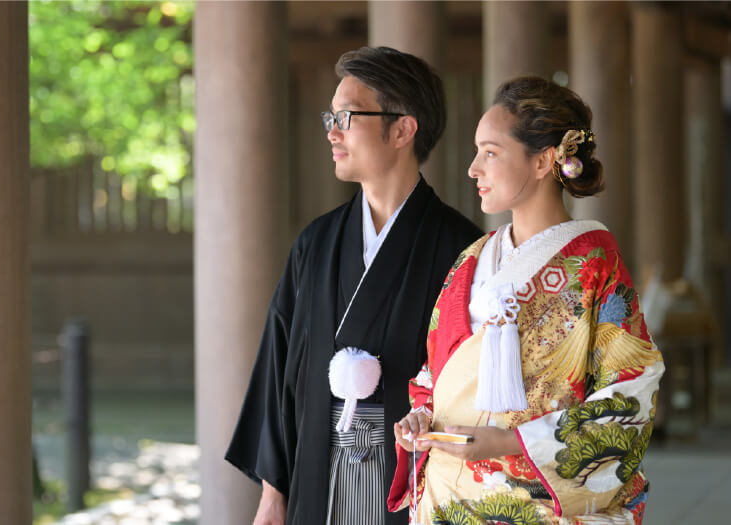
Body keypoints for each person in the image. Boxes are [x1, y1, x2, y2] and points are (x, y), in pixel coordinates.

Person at [389, 76, 664, 525]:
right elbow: (435, 375)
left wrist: (510, 442)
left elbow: (631, 389)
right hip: (448, 497)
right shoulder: (471, 260)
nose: (473, 168)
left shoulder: (595, 263)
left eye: (491, 153)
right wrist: (421, 416)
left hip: (536, 504)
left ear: (543, 161)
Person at [225, 46, 482, 525]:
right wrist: (272, 496)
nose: (332, 131)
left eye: (346, 116)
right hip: (317, 478)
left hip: (415, 487)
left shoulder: (462, 249)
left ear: (403, 128)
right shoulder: (316, 243)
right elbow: (280, 370)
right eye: (330, 115)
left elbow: (473, 390)